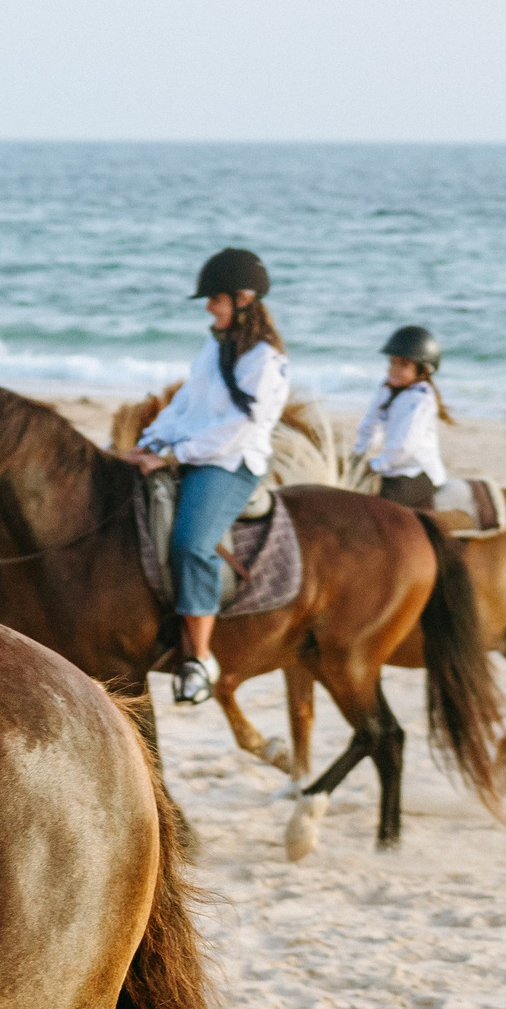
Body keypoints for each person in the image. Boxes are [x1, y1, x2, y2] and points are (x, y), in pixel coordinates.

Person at [126, 248, 290, 706]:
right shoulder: (214, 348)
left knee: (191, 544)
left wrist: (176, 455)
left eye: (214, 299)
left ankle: (198, 658)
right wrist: (152, 441)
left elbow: (238, 429)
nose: (207, 307)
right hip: (193, 453)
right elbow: (186, 406)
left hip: (230, 463)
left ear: (242, 299)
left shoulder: (266, 362)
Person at [356, 325, 451, 509]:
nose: (394, 369)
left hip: (418, 472)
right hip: (394, 468)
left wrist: (377, 465)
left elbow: (404, 444)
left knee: (379, 507)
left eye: (404, 365)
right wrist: (358, 453)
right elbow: (370, 423)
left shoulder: (421, 399)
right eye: (392, 362)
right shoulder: (386, 389)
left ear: (422, 370)